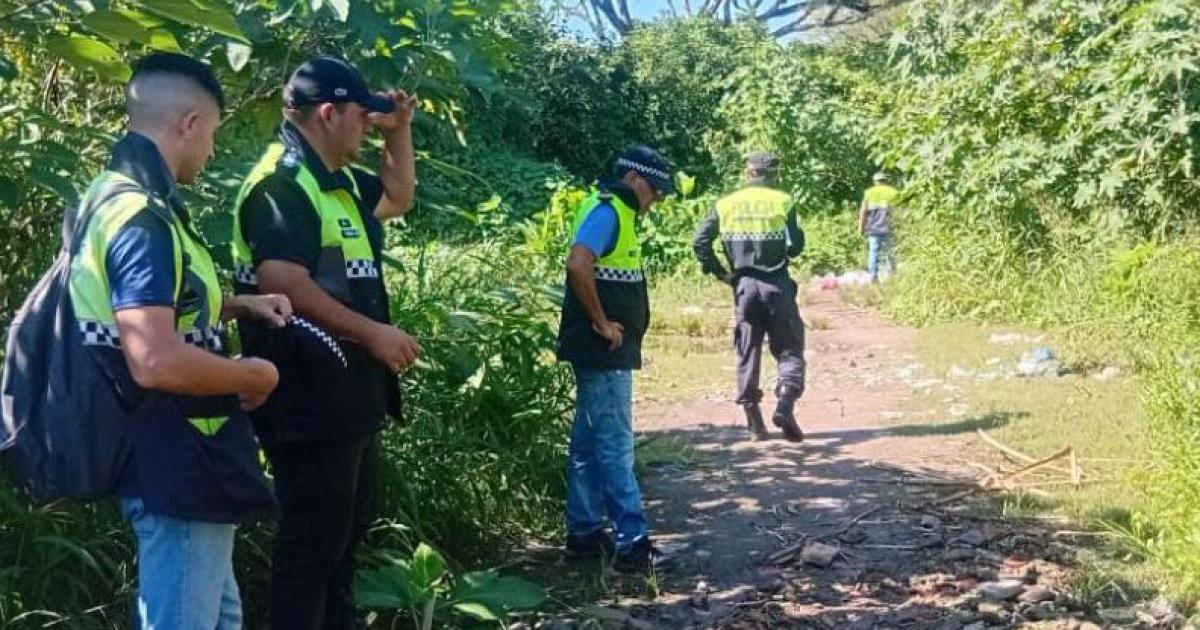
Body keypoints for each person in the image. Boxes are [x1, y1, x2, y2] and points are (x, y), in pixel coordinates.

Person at [67, 52, 288, 628]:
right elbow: (154, 359)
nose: (211, 151)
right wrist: (253, 375)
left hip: (173, 454)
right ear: (189, 123)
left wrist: (237, 305)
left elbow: (142, 308)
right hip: (179, 456)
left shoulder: (109, 195)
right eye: (212, 134)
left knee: (221, 616)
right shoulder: (143, 218)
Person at [229, 55, 419, 630]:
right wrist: (374, 333)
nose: (367, 127)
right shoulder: (284, 183)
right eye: (361, 116)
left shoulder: (337, 182)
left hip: (348, 396)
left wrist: (399, 129)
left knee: (341, 546)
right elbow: (284, 282)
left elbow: (398, 195)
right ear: (329, 113)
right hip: (306, 399)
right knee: (310, 552)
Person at [556, 146, 674, 573]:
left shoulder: (614, 212)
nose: (655, 200)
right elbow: (578, 264)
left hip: (602, 351)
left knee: (589, 445)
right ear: (634, 179)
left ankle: (585, 534)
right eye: (654, 190)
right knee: (615, 446)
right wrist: (602, 323)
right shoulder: (609, 211)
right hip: (603, 350)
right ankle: (633, 543)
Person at [692, 152, 806, 443]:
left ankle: (754, 423)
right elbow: (796, 247)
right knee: (790, 347)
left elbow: (700, 241)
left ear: (748, 173)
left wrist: (722, 273)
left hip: (744, 288)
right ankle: (785, 403)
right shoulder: (783, 201)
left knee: (747, 350)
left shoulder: (725, 204)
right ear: (775, 175)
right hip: (777, 286)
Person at [858, 171, 900, 282]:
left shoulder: (868, 193)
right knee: (891, 253)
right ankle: (893, 277)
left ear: (874, 181)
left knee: (873, 254)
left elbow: (863, 211)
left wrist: (861, 228)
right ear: (886, 180)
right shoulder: (893, 192)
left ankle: (873, 278)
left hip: (873, 228)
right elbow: (899, 211)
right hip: (889, 228)